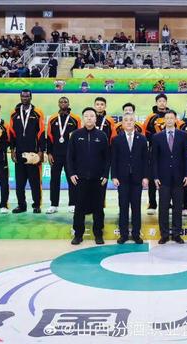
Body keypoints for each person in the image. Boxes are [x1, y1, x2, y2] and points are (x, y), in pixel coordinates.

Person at [68, 107, 110, 245]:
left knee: (98, 208)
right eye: (86, 116)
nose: (89, 118)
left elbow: (107, 158)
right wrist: (72, 173)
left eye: (92, 116)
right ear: (83, 118)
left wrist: (105, 174)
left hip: (98, 179)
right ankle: (78, 235)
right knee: (79, 207)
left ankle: (98, 234)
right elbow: (70, 157)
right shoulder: (75, 135)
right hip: (80, 179)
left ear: (95, 118)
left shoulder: (102, 135)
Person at [151, 110, 187, 244]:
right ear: (164, 120)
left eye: (171, 118)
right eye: (167, 118)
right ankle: (164, 234)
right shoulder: (157, 137)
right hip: (163, 178)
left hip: (179, 177)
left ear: (175, 120)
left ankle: (176, 234)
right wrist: (155, 176)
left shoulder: (183, 135)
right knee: (163, 207)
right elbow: (154, 159)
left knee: (178, 207)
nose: (169, 120)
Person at [111, 113, 149, 244]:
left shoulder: (142, 139)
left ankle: (136, 234)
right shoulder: (116, 140)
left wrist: (145, 177)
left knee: (136, 207)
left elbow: (145, 160)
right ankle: (124, 234)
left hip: (137, 179)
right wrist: (114, 176)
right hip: (122, 179)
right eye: (126, 120)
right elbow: (114, 160)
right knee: (123, 207)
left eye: (131, 120)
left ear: (135, 122)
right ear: (122, 123)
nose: (128, 122)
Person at [7, 90, 46, 213]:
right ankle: (21, 205)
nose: (25, 98)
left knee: (35, 182)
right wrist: (12, 150)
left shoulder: (37, 113)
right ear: (20, 97)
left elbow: (41, 132)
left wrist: (41, 151)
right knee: (20, 182)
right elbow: (12, 133)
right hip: (19, 152)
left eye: (27, 96)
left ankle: (37, 205)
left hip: (33, 153)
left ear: (31, 97)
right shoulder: (14, 113)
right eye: (23, 96)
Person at [46, 97, 81, 214]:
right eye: (61, 102)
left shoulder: (75, 119)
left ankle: (73, 204)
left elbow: (79, 138)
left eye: (65, 102)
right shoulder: (52, 119)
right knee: (54, 180)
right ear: (58, 104)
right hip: (56, 155)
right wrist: (49, 153)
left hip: (71, 156)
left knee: (72, 180)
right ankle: (54, 204)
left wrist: (77, 155)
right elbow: (49, 137)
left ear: (69, 104)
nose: (63, 103)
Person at [143, 93, 169, 214]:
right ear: (156, 103)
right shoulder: (151, 117)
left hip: (169, 151)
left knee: (167, 176)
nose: (162, 103)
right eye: (160, 101)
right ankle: (152, 204)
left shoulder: (171, 115)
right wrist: (154, 140)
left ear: (166, 103)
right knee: (153, 175)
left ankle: (168, 203)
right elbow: (145, 132)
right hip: (154, 150)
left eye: (164, 101)